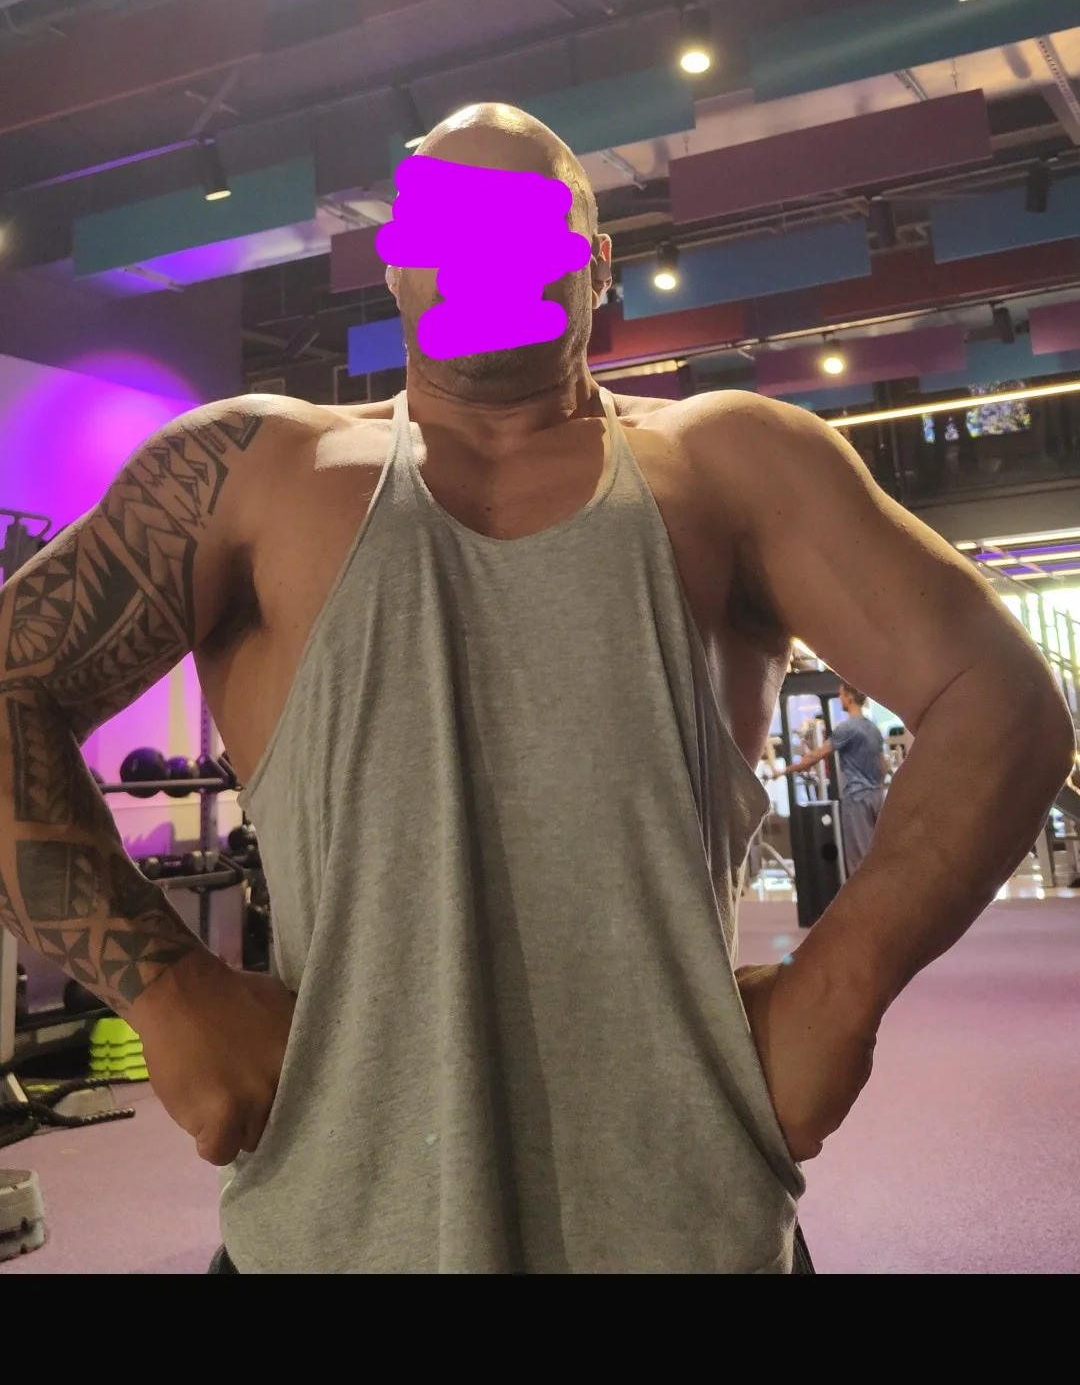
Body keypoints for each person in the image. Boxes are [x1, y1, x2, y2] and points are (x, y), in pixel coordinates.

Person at [0, 103, 1072, 1274]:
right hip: (332, 1228)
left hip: (687, 1223)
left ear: (597, 263)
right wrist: (164, 991)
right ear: (395, 260)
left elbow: (1003, 702)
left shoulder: (733, 463)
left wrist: (842, 988)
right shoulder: (253, 471)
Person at [774, 684, 888, 876]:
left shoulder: (847, 728)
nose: (839, 698)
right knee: (878, 854)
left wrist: (783, 771)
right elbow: (883, 766)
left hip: (856, 798)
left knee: (859, 862)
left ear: (849, 698)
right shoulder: (873, 728)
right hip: (877, 796)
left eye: (841, 694)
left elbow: (815, 757)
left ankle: (865, 896)